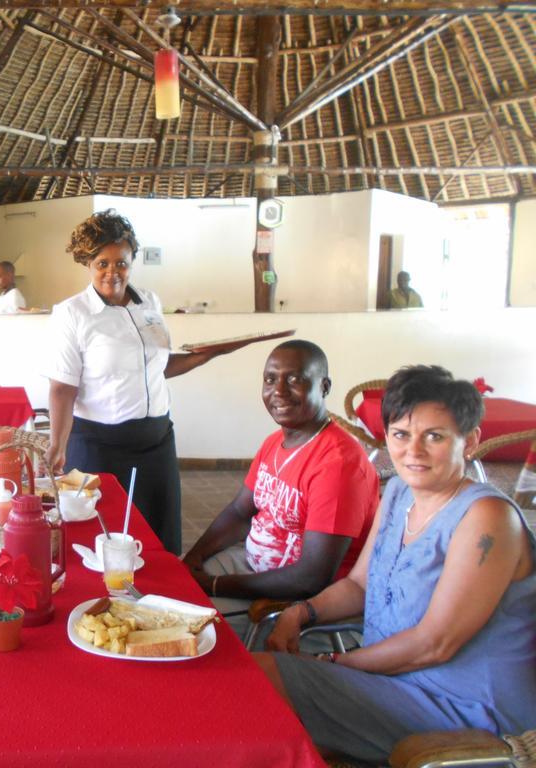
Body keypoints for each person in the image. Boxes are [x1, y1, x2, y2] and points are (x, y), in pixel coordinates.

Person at [255, 365, 536, 765]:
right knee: (256, 700)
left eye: (434, 437)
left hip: (464, 710)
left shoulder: (486, 518)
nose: (413, 451)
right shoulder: (399, 493)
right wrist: (299, 614)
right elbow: (358, 585)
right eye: (401, 435)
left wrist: (332, 663)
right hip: (392, 681)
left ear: (469, 441)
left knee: (259, 684)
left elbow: (434, 645)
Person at [44, 210, 250, 554]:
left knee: (160, 537)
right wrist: (57, 444)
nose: (113, 272)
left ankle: (160, 604)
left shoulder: (149, 303)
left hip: (156, 442)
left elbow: (159, 365)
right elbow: (63, 388)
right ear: (88, 264)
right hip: (101, 447)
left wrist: (208, 354)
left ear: (132, 261)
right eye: (102, 263)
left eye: (121, 262)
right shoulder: (72, 314)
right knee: (102, 539)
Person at [182, 341, 379, 640]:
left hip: (292, 597)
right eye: (270, 379)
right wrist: (193, 559)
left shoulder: (339, 464)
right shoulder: (275, 442)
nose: (279, 391)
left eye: (295, 379)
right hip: (251, 565)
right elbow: (239, 512)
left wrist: (213, 585)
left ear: (324, 386)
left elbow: (311, 577)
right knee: (166, 585)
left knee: (182, 623)